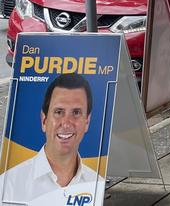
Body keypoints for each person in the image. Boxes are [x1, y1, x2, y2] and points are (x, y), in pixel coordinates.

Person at [0, 74, 102, 202]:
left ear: (87, 122)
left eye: (76, 113)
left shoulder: (96, 183)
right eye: (59, 112)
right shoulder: (8, 184)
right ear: (44, 120)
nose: (66, 123)